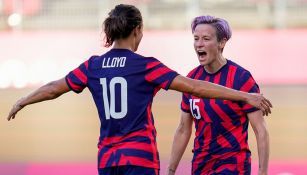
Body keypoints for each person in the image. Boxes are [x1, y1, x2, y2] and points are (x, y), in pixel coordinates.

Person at [7, 5, 272, 175]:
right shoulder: (145, 67)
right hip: (140, 158)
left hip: (108, 160)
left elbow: (55, 88)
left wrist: (24, 100)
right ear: (136, 31)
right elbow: (194, 87)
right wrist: (244, 96)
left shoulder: (93, 66)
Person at [167, 15, 270, 175]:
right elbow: (183, 129)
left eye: (206, 39)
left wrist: (263, 172)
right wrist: (171, 170)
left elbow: (260, 129)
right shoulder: (191, 79)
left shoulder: (241, 78)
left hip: (233, 164)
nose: (199, 44)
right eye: (196, 38)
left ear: (222, 42)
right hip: (200, 165)